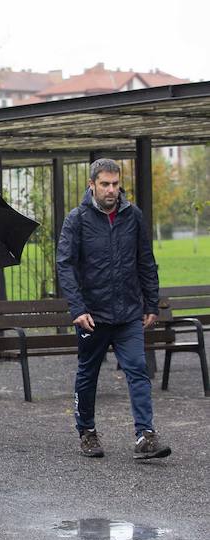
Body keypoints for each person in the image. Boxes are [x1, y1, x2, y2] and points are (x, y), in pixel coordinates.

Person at [56, 158, 171, 461]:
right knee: (88, 373)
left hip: (129, 313)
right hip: (92, 316)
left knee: (137, 369)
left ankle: (145, 435)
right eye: (105, 184)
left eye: (115, 184)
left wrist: (151, 303)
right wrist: (78, 309)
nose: (111, 190)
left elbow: (145, 261)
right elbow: (65, 266)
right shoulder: (77, 220)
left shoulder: (132, 216)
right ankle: (87, 432)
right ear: (91, 184)